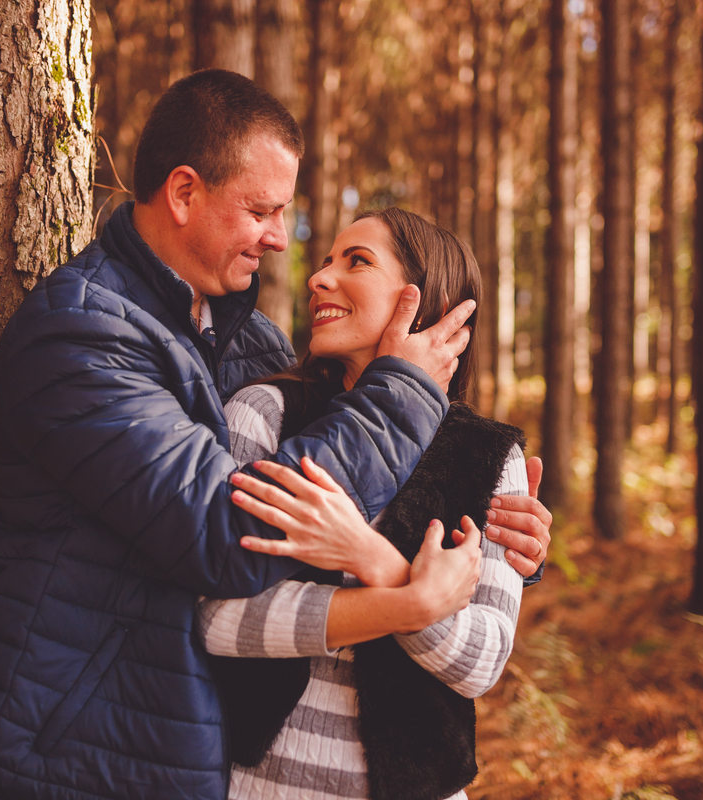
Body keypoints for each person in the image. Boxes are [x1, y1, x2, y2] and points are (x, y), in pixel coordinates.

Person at [0, 69, 550, 800]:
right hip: (71, 742)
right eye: (261, 210)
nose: (284, 242)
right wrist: (404, 588)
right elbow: (228, 534)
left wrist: (500, 547)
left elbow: (427, 539)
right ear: (185, 192)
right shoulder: (81, 335)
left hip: (174, 737)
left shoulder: (249, 346)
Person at [198, 207, 529, 800]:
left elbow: (482, 662)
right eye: (326, 261)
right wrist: (411, 601)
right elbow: (216, 618)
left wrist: (375, 559)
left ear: (422, 301)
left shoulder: (490, 457)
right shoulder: (263, 413)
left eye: (357, 262)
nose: (318, 278)